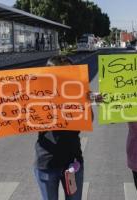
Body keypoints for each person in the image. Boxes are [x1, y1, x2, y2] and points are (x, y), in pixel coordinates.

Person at [34, 55, 85, 200]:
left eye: (69, 72)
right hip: (46, 163)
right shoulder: (38, 95)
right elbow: (17, 113)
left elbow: (89, 120)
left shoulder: (77, 92)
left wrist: (86, 102)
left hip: (72, 163)